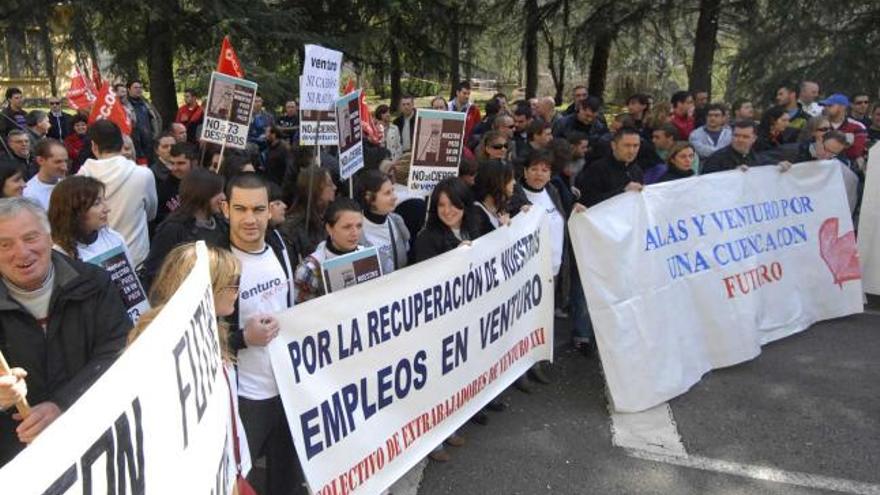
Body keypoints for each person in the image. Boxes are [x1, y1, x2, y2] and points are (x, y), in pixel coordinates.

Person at [0, 197, 130, 467]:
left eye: (30, 238)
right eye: (5, 244)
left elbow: (118, 352)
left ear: (50, 238)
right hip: (18, 459)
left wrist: (62, 405)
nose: (22, 253)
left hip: (93, 442)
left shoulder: (94, 283)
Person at [129, 243, 251, 493]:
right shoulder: (162, 345)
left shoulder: (213, 330)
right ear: (209, 287)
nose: (237, 291)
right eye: (232, 283)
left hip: (230, 469)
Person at [222, 173, 301, 495]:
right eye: (240, 209)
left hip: (288, 388)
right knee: (236, 480)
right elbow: (201, 338)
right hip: (246, 397)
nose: (250, 219)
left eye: (257, 209)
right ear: (225, 209)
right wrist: (244, 339)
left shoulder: (281, 246)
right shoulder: (217, 263)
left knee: (287, 476)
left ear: (270, 210)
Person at [411, 178, 475, 461]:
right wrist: (456, 257)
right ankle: (432, 440)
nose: (447, 211)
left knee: (455, 378)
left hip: (464, 318)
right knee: (435, 382)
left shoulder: (473, 228)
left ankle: (450, 426)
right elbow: (427, 279)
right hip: (437, 324)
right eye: (441, 205)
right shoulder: (428, 237)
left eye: (453, 205)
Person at [77, 120, 157, 268]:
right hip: (135, 258)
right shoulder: (144, 175)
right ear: (121, 144)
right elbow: (151, 214)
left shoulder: (79, 178)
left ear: (94, 146)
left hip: (99, 262)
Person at [142, 168, 228, 289]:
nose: (224, 197)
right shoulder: (173, 229)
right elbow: (154, 272)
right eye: (218, 192)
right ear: (202, 194)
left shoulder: (221, 224)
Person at [293, 197, 369, 303]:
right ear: (329, 228)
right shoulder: (310, 269)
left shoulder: (367, 255)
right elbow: (303, 311)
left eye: (359, 226)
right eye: (347, 227)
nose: (355, 233)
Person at [354, 169, 410, 274]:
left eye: (392, 190)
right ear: (369, 197)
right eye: (387, 193)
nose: (394, 197)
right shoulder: (355, 232)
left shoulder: (397, 221)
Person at [279, 166, 337, 263]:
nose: (335, 187)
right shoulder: (293, 228)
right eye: (329, 184)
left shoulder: (330, 216)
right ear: (316, 189)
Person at [576, 128, 644, 207]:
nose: (631, 151)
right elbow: (588, 201)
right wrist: (622, 191)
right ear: (613, 145)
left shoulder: (637, 170)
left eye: (636, 146)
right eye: (627, 145)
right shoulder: (597, 169)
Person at [152, 137, 190, 230]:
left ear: (194, 163)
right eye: (172, 163)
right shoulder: (163, 188)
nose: (175, 168)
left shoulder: (204, 186)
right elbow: (155, 217)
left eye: (181, 163)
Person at [472, 159, 516, 236]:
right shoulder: (477, 214)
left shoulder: (500, 207)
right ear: (497, 182)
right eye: (510, 179)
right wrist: (502, 230)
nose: (514, 182)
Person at [24, 139, 68, 210]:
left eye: (65, 161)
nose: (64, 167)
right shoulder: (29, 195)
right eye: (58, 162)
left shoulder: (66, 183)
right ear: (40, 160)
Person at [822, 93, 867, 162]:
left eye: (830, 105)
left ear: (842, 107)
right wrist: (845, 145)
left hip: (847, 166)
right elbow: (813, 148)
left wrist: (830, 148)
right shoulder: (818, 125)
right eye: (824, 105)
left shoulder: (858, 127)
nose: (825, 108)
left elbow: (855, 152)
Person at [124, 80, 162, 162]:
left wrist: (156, 134)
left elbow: (157, 119)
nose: (138, 89)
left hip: (150, 142)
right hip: (135, 143)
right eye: (135, 87)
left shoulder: (146, 104)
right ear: (128, 89)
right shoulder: (125, 105)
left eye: (140, 87)